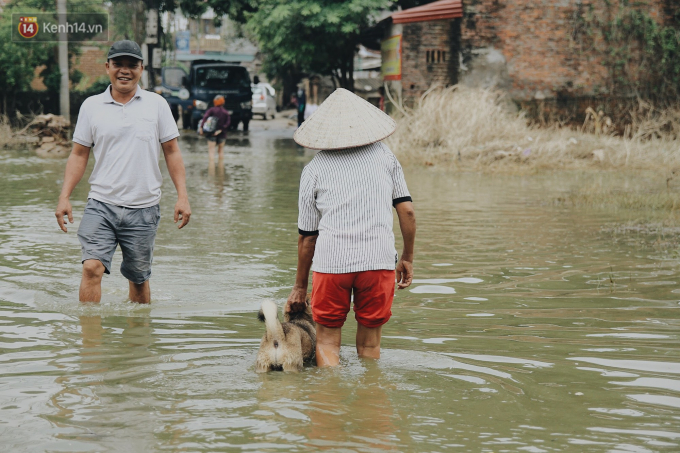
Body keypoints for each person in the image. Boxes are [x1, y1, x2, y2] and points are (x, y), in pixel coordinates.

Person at [286, 88, 416, 367]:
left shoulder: (314, 169)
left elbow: (308, 238)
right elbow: (407, 211)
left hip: (331, 264)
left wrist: (299, 286)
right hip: (378, 262)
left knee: (328, 342)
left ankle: (329, 402)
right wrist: (407, 257)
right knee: (370, 346)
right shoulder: (386, 157)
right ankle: (371, 402)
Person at [54, 40, 191, 304]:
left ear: (142, 69)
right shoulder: (91, 106)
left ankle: (137, 343)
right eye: (118, 64)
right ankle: (91, 343)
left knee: (138, 280)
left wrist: (182, 196)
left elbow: (172, 152)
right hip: (100, 204)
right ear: (107, 67)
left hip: (144, 208)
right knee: (91, 267)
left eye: (132, 65)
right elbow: (79, 154)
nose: (124, 71)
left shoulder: (157, 104)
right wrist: (64, 196)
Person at [198, 95, 231, 169]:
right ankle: (220, 169)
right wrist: (221, 130)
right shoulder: (225, 112)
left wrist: (201, 127)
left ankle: (211, 169)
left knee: (211, 151)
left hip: (211, 133)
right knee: (221, 151)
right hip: (222, 134)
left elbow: (205, 117)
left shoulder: (211, 110)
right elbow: (228, 123)